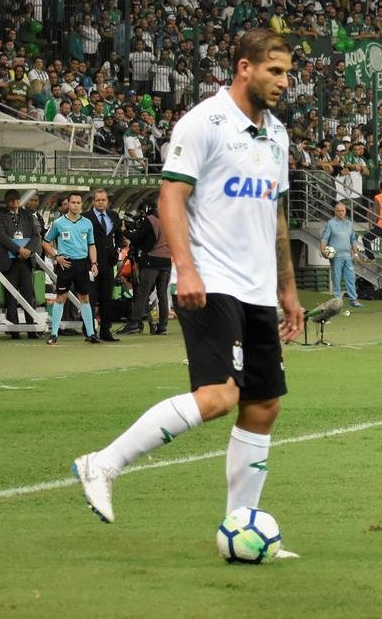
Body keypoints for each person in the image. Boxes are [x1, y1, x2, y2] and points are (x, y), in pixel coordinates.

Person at [71, 28, 305, 545]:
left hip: (259, 290)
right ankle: (103, 463)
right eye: (275, 71)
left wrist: (287, 289)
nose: (284, 81)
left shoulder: (278, 134)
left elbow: (277, 216)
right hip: (212, 280)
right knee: (219, 396)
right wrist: (188, 267)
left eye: (288, 73)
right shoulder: (204, 122)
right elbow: (170, 197)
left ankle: (238, 526)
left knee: (263, 405)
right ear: (244, 67)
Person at [42, 193, 101, 345]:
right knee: (61, 297)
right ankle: (54, 334)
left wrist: (94, 263)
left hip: (82, 264)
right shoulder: (59, 223)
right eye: (73, 202)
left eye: (78, 202)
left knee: (85, 298)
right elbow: (45, 242)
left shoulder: (87, 223)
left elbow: (91, 245)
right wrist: (56, 257)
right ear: (68, 204)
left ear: (82, 205)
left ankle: (91, 334)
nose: (75, 205)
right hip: (66, 264)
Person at [0, 189, 42, 338]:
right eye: (12, 201)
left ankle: (31, 329)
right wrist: (18, 249)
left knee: (29, 294)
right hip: (9, 261)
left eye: (17, 200)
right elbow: (2, 237)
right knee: (11, 296)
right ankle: (13, 329)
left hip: (25, 261)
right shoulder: (0, 217)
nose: (15, 203)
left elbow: (35, 236)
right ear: (7, 202)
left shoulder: (27, 215)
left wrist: (27, 250)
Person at [120, 206, 172, 335]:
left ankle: (135, 323)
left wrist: (125, 231)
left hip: (151, 261)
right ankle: (162, 326)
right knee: (162, 295)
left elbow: (137, 237)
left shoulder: (151, 220)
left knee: (142, 293)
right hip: (166, 261)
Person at [86, 188, 124, 341]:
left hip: (109, 262)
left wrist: (116, 251)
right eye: (98, 200)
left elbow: (119, 236)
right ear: (93, 201)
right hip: (91, 262)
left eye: (103, 200)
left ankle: (106, 331)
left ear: (107, 201)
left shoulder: (114, 216)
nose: (101, 202)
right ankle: (89, 331)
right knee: (90, 298)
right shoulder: (86, 217)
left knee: (107, 298)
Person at [321, 201, 363, 307]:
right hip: (336, 256)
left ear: (345, 211)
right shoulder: (330, 223)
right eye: (338, 211)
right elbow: (324, 239)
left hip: (347, 255)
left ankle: (354, 300)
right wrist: (323, 251)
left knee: (351, 278)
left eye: (343, 211)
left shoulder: (349, 224)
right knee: (336, 277)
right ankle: (337, 300)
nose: (341, 213)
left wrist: (356, 254)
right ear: (335, 212)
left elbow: (353, 240)